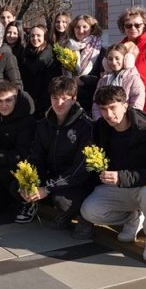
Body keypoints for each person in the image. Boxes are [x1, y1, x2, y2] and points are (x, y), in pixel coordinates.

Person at [80, 86, 146, 263]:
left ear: (125, 105)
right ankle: (133, 217)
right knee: (89, 210)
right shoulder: (101, 127)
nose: (109, 114)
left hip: (145, 185)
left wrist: (122, 177)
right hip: (118, 187)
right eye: (103, 109)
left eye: (113, 107)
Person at [24, 77, 95, 238]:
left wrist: (47, 188)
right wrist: (29, 181)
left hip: (78, 182)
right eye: (55, 98)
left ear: (74, 99)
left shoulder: (85, 126)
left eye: (65, 98)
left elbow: (80, 170)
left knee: (61, 199)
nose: (59, 103)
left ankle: (84, 218)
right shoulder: (44, 124)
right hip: (55, 176)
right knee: (18, 186)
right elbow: (36, 156)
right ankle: (64, 212)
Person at [0, 81, 36, 217]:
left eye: (8, 100)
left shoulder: (26, 122)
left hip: (19, 169)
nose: (4, 105)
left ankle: (28, 203)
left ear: (15, 99)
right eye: (0, 101)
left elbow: (21, 156)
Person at [91, 43, 145, 120]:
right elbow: (96, 104)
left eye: (117, 58)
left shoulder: (133, 79)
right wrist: (99, 120)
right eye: (110, 59)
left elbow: (137, 104)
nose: (113, 62)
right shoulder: (103, 80)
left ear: (126, 59)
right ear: (105, 61)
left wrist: (128, 122)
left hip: (125, 124)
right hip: (105, 123)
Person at [64, 14, 105, 114]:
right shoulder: (67, 48)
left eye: (85, 27)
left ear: (92, 29)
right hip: (69, 101)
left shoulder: (99, 50)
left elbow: (103, 78)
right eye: (77, 27)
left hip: (91, 102)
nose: (81, 30)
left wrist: (83, 80)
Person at [20, 24, 57, 118]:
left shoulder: (50, 55)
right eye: (32, 35)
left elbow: (50, 81)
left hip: (44, 101)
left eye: (38, 35)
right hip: (27, 98)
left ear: (45, 36)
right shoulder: (25, 53)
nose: (35, 38)